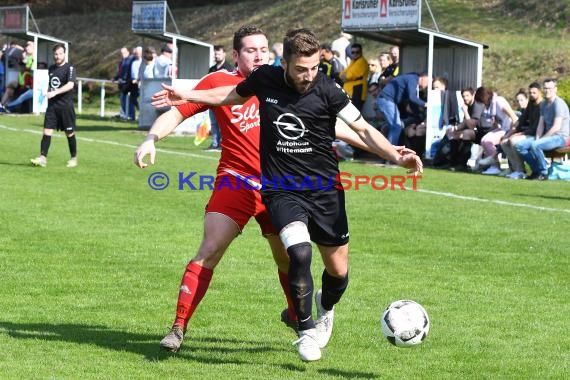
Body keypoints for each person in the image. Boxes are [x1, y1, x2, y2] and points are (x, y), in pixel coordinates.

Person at [150, 27, 422, 362]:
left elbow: (351, 126)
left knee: (322, 268)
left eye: (263, 48)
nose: (258, 55)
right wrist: (166, 120)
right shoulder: (253, 81)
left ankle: (312, 310)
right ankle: (297, 329)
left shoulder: (317, 86)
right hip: (258, 185)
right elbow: (213, 101)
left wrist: (393, 155)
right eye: (251, 50)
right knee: (279, 251)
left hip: (316, 188)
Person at [30, 43, 77, 168]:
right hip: (52, 106)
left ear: (64, 54)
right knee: (46, 131)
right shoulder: (51, 68)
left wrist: (55, 92)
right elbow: (51, 85)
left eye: (60, 53)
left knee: (69, 132)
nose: (57, 56)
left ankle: (73, 158)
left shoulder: (70, 68)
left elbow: (70, 85)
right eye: (55, 54)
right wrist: (47, 92)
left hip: (65, 107)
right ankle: (42, 158)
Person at [515, 78, 570, 180]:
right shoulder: (544, 104)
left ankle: (544, 173)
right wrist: (538, 138)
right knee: (520, 146)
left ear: (555, 89)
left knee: (536, 145)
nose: (547, 90)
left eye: (549, 88)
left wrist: (540, 140)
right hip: (549, 137)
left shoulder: (558, 104)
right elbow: (541, 125)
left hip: (560, 137)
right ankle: (536, 171)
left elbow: (556, 126)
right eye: (545, 88)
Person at [473, 87, 518, 175]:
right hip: (502, 128)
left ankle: (496, 165)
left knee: (488, 141)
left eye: (482, 101)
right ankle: (494, 165)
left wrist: (510, 133)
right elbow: (497, 121)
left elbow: (513, 117)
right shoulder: (491, 105)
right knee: (483, 140)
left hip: (508, 128)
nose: (483, 104)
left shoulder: (498, 102)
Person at [500, 83, 542, 179]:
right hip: (528, 133)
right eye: (530, 92)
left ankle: (521, 171)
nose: (532, 94)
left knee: (513, 140)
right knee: (504, 142)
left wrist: (519, 134)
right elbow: (521, 121)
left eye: (534, 93)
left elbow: (536, 128)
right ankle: (516, 169)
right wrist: (509, 134)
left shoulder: (542, 106)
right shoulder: (530, 105)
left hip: (537, 134)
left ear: (540, 93)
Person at [377, 72, 429, 145]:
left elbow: (411, 101)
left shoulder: (411, 80)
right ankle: (390, 151)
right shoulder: (413, 79)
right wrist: (426, 104)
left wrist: (418, 115)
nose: (428, 85)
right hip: (386, 100)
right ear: (423, 77)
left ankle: (388, 147)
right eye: (428, 81)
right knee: (396, 126)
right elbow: (412, 97)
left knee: (395, 126)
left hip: (389, 101)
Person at [206, 45, 234, 151]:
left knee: (223, 124)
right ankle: (214, 143)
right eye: (215, 54)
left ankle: (223, 144)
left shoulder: (229, 69)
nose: (216, 56)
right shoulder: (212, 69)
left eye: (218, 53)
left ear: (224, 54)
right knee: (213, 124)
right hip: (211, 101)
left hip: (224, 101)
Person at [340, 43, 368, 111]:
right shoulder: (353, 61)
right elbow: (341, 74)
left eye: (357, 52)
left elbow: (348, 75)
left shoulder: (362, 61)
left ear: (361, 52)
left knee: (356, 114)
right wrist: (345, 76)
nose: (355, 54)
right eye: (353, 52)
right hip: (351, 92)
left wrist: (345, 76)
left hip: (357, 91)